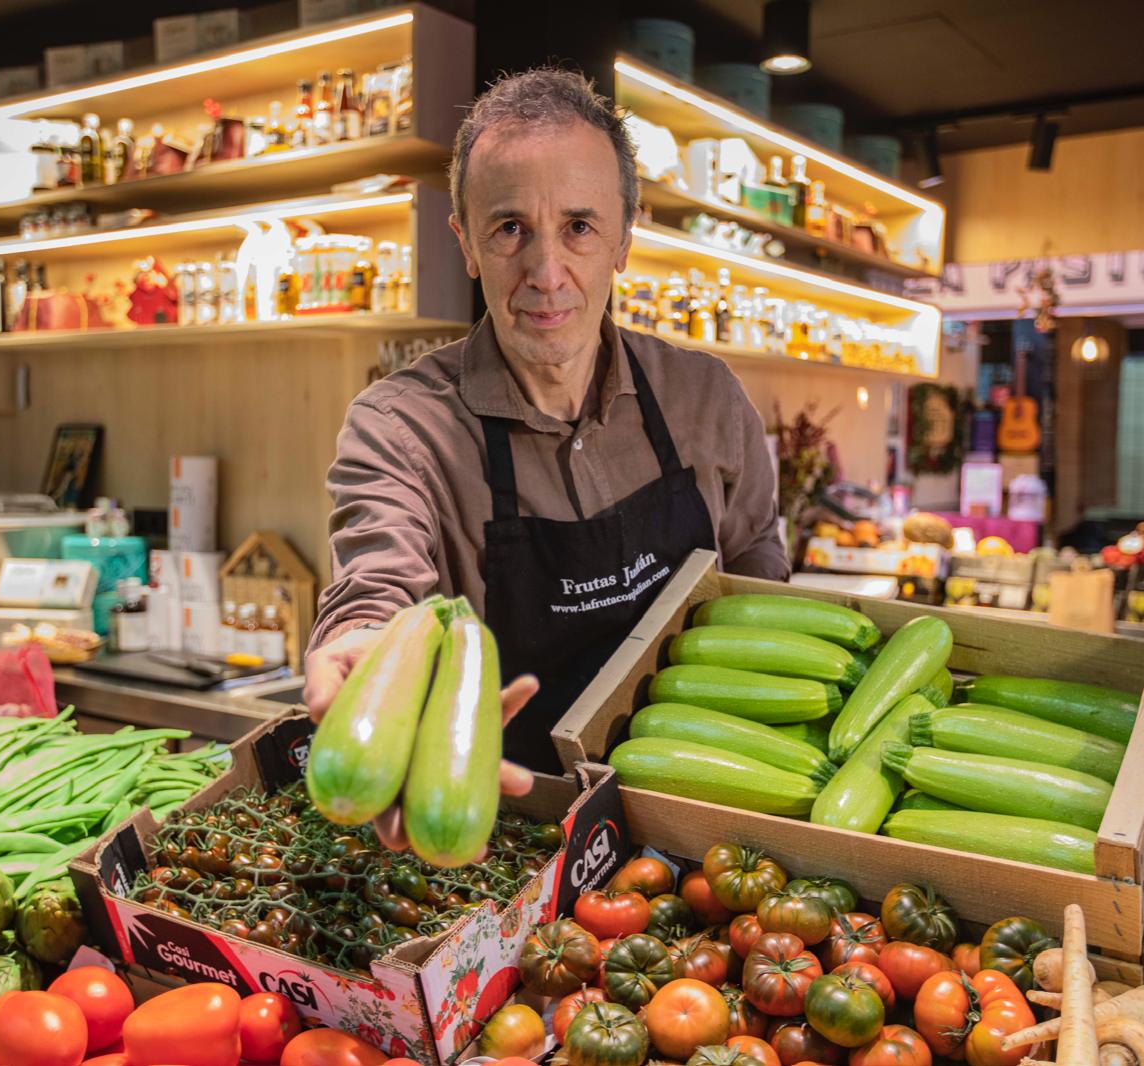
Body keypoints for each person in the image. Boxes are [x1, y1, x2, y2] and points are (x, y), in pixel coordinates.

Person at [305, 67, 789, 838]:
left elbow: (757, 557)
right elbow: (377, 580)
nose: (546, 272)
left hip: (705, 825)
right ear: (465, 242)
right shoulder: (400, 429)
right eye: (509, 229)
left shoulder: (706, 400)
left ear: (626, 236)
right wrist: (365, 645)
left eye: (579, 226)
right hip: (498, 835)